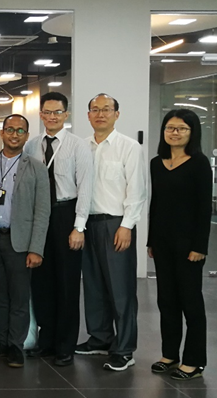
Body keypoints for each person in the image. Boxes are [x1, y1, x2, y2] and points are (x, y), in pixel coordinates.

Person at [23, 92, 93, 366]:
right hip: (39, 216)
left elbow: (85, 187)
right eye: (47, 112)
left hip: (66, 214)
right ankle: (47, 341)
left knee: (66, 282)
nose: (52, 117)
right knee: (41, 281)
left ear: (66, 114)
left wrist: (79, 227)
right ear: (40, 114)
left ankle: (65, 345)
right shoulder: (32, 145)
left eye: (57, 112)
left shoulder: (78, 145)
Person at [80, 93, 146, 372]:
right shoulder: (82, 147)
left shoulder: (129, 147)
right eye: (95, 110)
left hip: (116, 224)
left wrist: (127, 226)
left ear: (117, 114)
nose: (100, 114)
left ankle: (125, 348)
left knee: (121, 290)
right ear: (88, 115)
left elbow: (137, 190)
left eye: (106, 109)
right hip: (88, 224)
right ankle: (100, 338)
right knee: (93, 286)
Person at [0, 115, 50, 368]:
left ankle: (15, 346)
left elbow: (42, 211)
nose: (14, 134)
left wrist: (36, 249)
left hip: (20, 242)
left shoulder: (37, 168)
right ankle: (1, 342)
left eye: (20, 131)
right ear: (2, 133)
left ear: (26, 136)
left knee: (19, 297)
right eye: (10, 129)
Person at [148, 109, 211, 381]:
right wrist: (151, 240)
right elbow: (156, 204)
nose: (175, 133)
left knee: (190, 302)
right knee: (166, 300)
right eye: (170, 128)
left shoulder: (199, 163)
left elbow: (204, 208)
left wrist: (200, 246)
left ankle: (194, 362)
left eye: (182, 128)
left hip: (189, 246)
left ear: (192, 132)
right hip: (162, 242)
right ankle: (170, 355)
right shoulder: (157, 163)